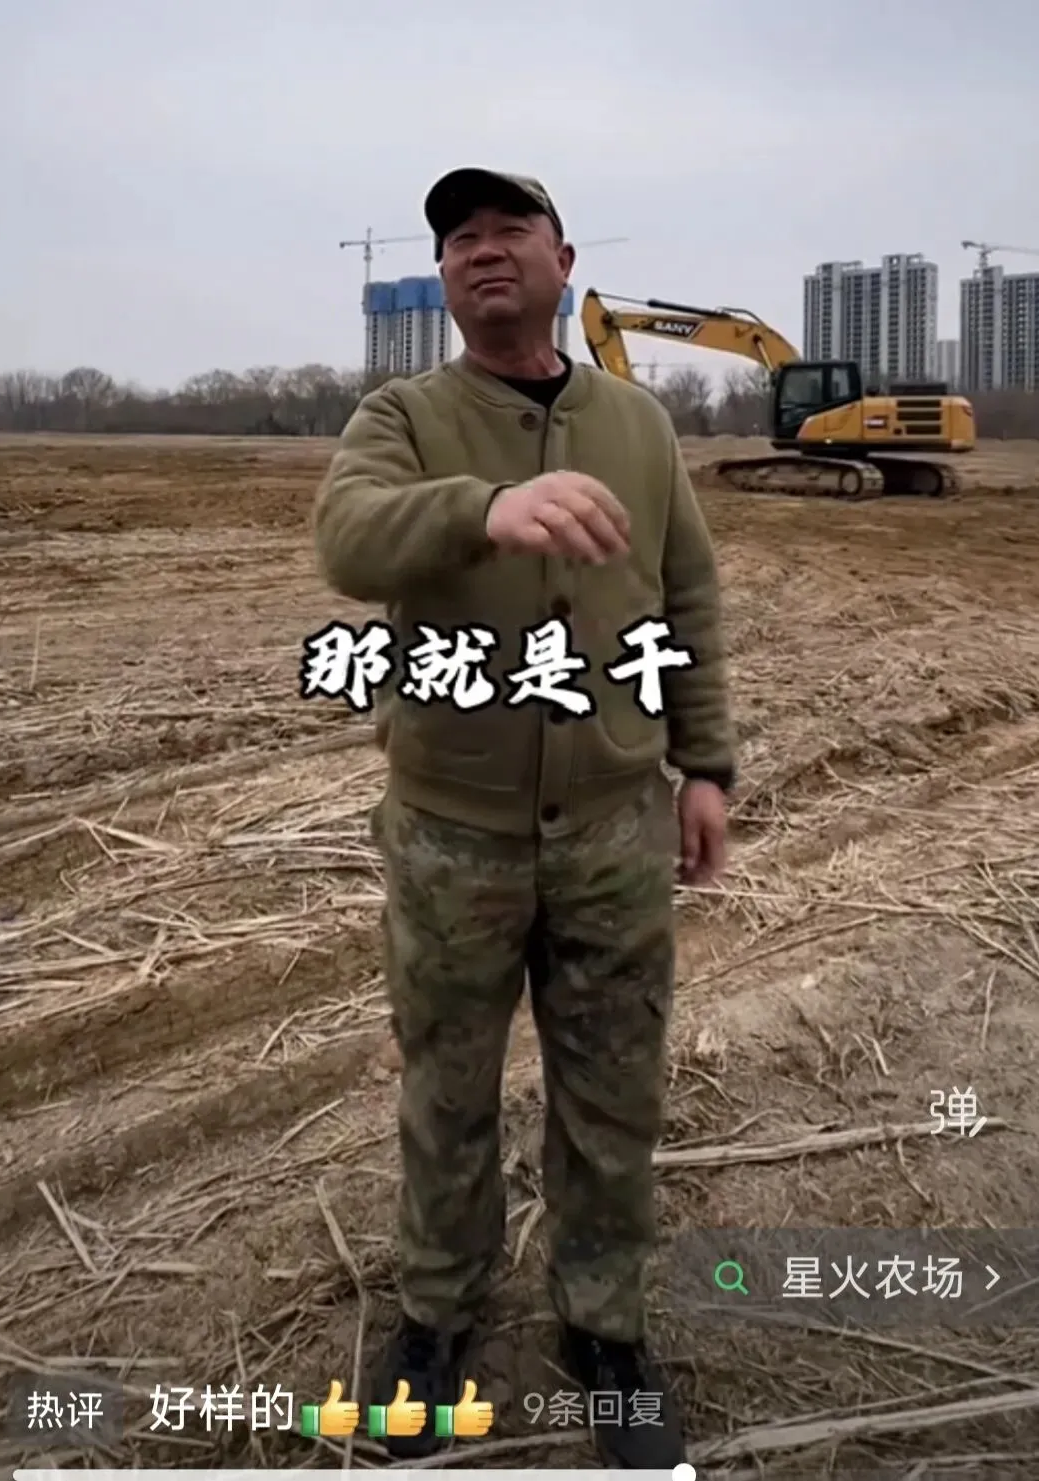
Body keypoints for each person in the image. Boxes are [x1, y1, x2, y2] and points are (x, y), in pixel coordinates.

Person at [312, 167, 735, 1469]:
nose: (482, 250)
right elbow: (348, 538)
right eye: (459, 238)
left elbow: (685, 596)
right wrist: (482, 510)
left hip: (614, 829)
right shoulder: (404, 416)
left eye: (509, 230)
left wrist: (706, 765)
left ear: (565, 260)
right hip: (455, 834)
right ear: (444, 279)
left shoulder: (639, 426)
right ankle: (439, 1317)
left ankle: (605, 1328)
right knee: (447, 1092)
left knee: (613, 1092)